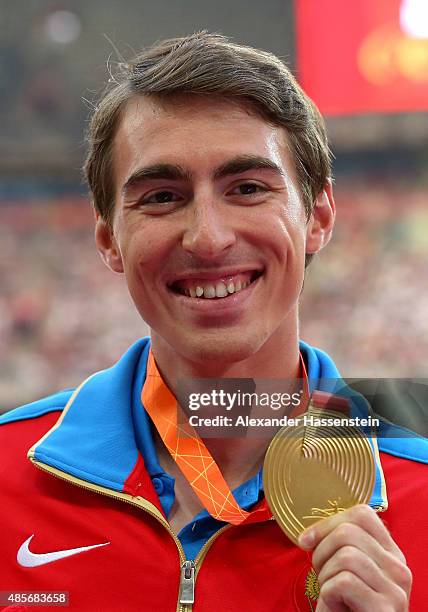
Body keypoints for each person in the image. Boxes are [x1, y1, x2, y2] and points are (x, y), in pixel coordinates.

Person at [0, 32, 425, 612]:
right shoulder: (9, 480)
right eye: (161, 197)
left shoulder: (418, 492)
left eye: (248, 188)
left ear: (319, 217)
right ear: (109, 239)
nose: (208, 238)